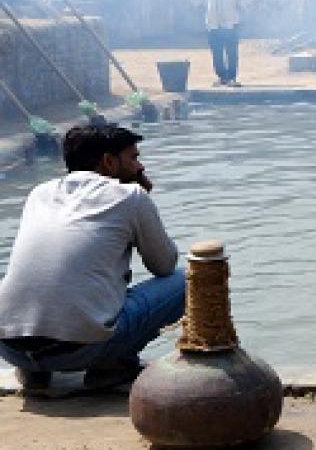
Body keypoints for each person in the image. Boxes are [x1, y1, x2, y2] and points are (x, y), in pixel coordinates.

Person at [0, 125, 183, 395]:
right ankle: (113, 367)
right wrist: (142, 202)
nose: (140, 166)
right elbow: (164, 266)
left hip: (11, 347)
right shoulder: (131, 197)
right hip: (79, 351)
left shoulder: (39, 193)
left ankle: (35, 373)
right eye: (133, 158)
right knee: (188, 281)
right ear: (108, 162)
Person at [183, 0, 258, 86]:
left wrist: (242, 4)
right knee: (217, 53)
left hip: (231, 23)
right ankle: (222, 77)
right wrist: (199, 4)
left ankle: (232, 78)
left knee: (232, 52)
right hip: (213, 23)